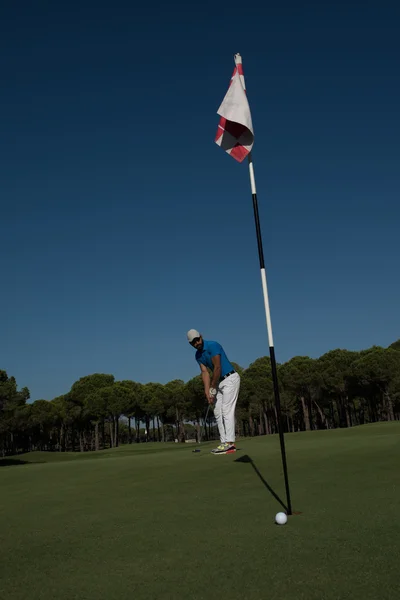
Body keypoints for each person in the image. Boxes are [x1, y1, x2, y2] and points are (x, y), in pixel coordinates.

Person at [187, 329, 240, 454]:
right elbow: (205, 372)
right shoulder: (198, 355)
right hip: (219, 382)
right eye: (193, 342)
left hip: (230, 378)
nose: (196, 343)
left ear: (201, 336)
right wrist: (207, 392)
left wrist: (212, 387)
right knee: (217, 411)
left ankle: (230, 444)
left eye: (197, 339)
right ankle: (223, 442)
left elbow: (217, 367)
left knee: (227, 410)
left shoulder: (213, 345)